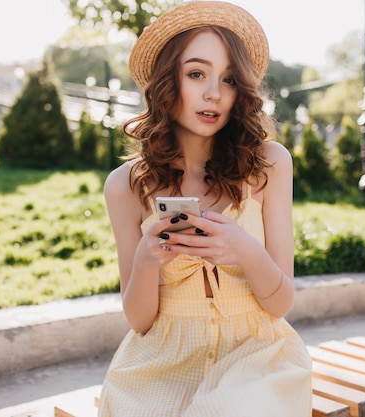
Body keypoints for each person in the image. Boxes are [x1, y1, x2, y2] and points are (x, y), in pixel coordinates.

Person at [98, 1, 312, 416]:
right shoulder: (125, 186)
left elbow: (282, 302)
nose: (214, 93)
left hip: (257, 361)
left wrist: (243, 249)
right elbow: (140, 322)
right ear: (167, 82)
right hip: (160, 363)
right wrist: (146, 260)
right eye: (196, 74)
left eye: (229, 79)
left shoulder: (269, 164)